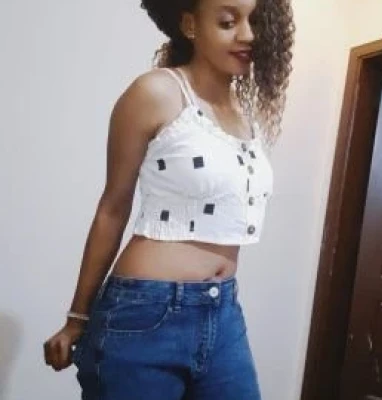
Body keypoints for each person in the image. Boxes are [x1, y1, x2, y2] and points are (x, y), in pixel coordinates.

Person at [43, 0, 295, 398]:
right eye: (227, 22)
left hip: (223, 311)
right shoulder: (156, 92)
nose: (248, 35)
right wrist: (77, 318)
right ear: (191, 25)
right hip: (146, 313)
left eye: (255, 21)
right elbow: (113, 208)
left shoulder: (242, 112)